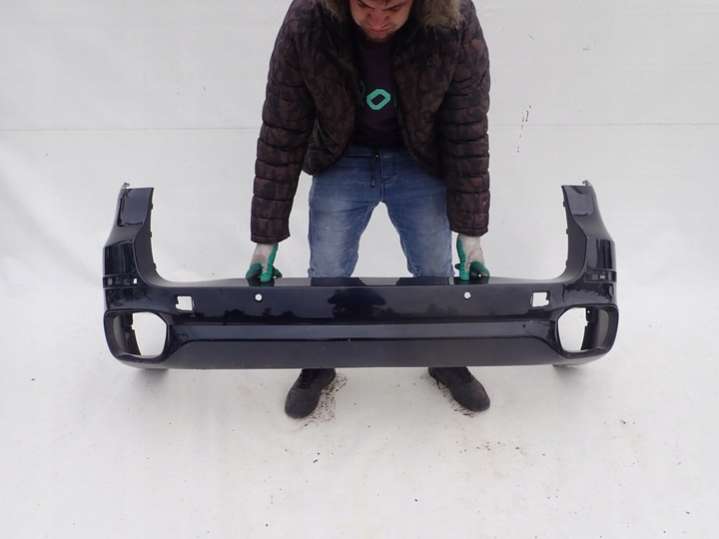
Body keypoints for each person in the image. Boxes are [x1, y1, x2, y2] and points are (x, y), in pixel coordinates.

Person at [246, 0, 492, 418]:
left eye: (393, 7)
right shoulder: (308, 21)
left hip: (417, 157)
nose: (377, 20)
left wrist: (471, 234)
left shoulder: (453, 21)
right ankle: (320, 358)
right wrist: (265, 240)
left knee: (434, 272)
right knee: (327, 270)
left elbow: (466, 127)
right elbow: (283, 128)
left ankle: (444, 354)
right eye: (363, 5)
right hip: (343, 155)